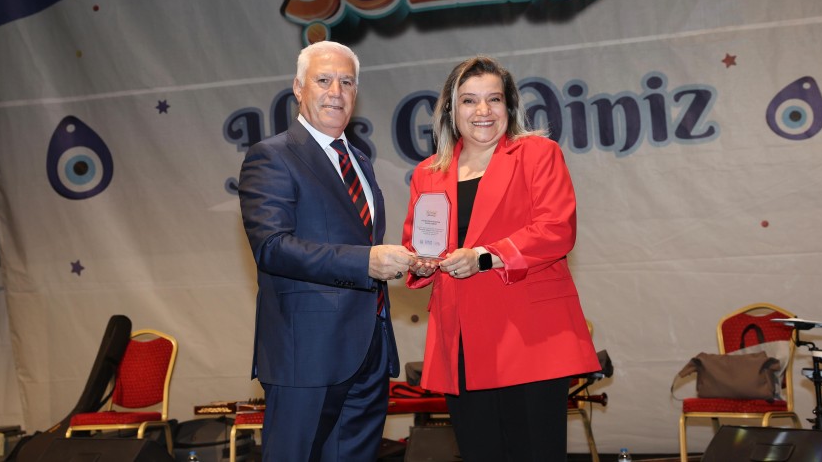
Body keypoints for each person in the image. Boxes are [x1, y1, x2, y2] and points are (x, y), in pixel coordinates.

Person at [402, 56, 599, 461]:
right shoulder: (428, 173)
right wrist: (419, 264)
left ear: (509, 106)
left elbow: (557, 229)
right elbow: (419, 243)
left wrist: (484, 257)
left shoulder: (538, 153)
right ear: (451, 110)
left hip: (529, 336)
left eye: (493, 99)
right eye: (469, 100)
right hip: (460, 339)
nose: (483, 110)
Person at [239, 41, 415, 461]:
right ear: (299, 88)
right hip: (306, 355)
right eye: (323, 80)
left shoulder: (360, 162)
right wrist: (365, 262)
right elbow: (272, 247)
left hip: (369, 352)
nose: (337, 91)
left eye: (347, 82)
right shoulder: (272, 156)